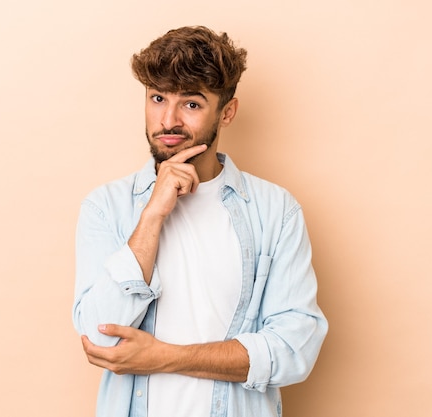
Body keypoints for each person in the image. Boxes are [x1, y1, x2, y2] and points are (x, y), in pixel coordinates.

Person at [72, 25, 328, 417]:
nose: (168, 120)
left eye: (191, 104)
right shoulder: (107, 207)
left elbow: (295, 349)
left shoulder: (276, 211)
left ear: (227, 112)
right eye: (157, 98)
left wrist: (165, 358)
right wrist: (152, 216)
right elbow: (97, 338)